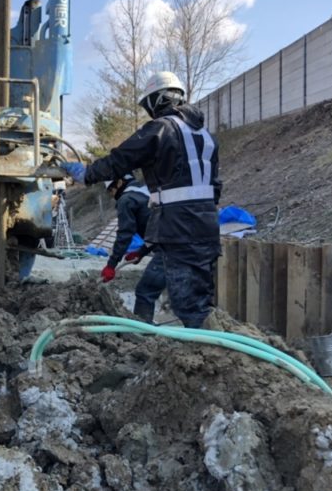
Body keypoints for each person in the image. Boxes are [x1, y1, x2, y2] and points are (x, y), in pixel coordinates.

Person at [62, 71, 222, 329]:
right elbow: (212, 188)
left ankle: (208, 350)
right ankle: (215, 342)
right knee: (201, 298)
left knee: (188, 305)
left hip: (179, 229)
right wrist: (147, 247)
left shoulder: (161, 129)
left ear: (157, 100)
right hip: (207, 227)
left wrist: (87, 174)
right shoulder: (206, 136)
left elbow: (120, 159)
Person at [101, 174, 166, 324]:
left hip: (170, 250)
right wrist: (141, 252)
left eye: (111, 190)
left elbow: (125, 234)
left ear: (119, 183)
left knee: (145, 292)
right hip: (184, 243)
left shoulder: (127, 199)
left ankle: (142, 332)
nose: (112, 195)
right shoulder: (147, 192)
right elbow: (158, 229)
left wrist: (111, 265)